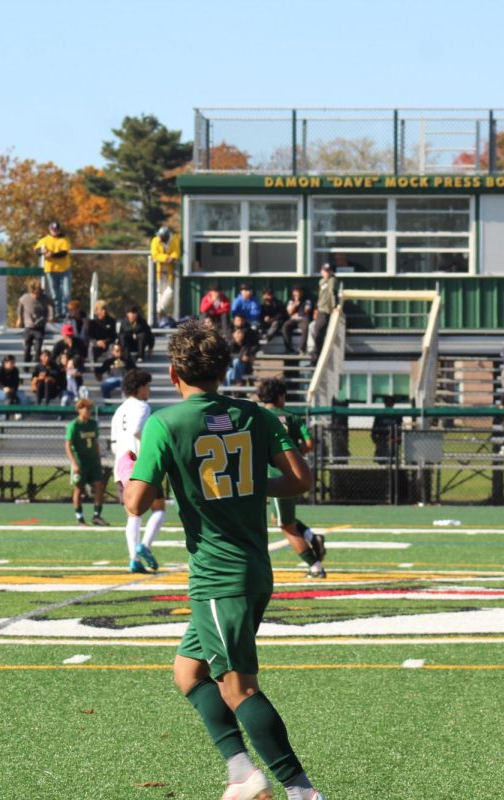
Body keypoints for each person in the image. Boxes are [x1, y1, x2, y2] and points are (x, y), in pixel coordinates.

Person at [122, 322, 323, 800]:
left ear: (173, 373)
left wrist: (132, 474)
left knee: (238, 687)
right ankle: (241, 772)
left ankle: (301, 790)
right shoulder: (254, 414)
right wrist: (249, 485)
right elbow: (299, 480)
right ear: (225, 368)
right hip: (253, 568)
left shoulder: (167, 424)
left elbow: (136, 503)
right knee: (188, 673)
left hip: (218, 574)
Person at [258, 376, 325, 579]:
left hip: (274, 475)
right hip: (293, 473)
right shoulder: (292, 417)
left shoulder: (259, 416)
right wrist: (296, 455)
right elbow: (310, 443)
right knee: (278, 517)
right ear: (279, 396)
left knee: (285, 525)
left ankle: (315, 566)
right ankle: (311, 536)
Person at [110, 369, 164, 573]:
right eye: (148, 386)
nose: (148, 390)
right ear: (140, 387)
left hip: (121, 467)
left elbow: (115, 443)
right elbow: (136, 430)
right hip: (140, 465)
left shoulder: (119, 410)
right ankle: (145, 546)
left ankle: (133, 559)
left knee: (133, 514)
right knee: (159, 509)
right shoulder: (142, 406)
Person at [65, 397, 107, 526]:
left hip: (92, 460)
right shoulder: (74, 425)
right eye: (86, 408)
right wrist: (73, 463)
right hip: (80, 461)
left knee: (99, 486)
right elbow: (68, 445)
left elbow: (95, 443)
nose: (88, 411)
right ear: (79, 410)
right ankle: (80, 517)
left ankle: (97, 516)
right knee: (79, 488)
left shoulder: (93, 424)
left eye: (90, 409)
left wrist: (98, 460)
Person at [34, 221, 71, 311]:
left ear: (59, 230)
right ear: (50, 229)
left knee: (66, 293)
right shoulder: (44, 240)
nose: (55, 231)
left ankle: (66, 312)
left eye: (56, 230)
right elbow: (36, 250)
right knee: (55, 294)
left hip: (64, 270)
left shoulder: (64, 239)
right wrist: (41, 251)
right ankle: (57, 312)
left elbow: (64, 253)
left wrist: (52, 255)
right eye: (53, 229)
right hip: (51, 270)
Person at [17, 279, 54, 363]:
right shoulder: (25, 298)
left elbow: (52, 305)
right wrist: (20, 319)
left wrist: (51, 316)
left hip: (39, 326)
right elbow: (20, 308)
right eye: (34, 294)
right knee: (27, 346)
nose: (36, 296)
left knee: (38, 346)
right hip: (29, 326)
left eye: (38, 293)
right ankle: (26, 364)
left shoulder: (44, 298)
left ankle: (36, 362)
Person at [150, 225, 180, 324]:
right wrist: (166, 258)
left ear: (166, 236)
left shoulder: (174, 240)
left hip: (169, 273)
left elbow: (176, 253)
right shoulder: (155, 240)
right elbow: (154, 254)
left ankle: (160, 310)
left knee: (169, 292)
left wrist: (172, 258)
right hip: (158, 273)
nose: (160, 238)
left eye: (162, 237)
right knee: (159, 293)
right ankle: (159, 315)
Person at [311, 263, 338, 362]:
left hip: (327, 310)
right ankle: (316, 353)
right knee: (315, 330)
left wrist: (334, 306)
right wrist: (316, 309)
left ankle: (317, 353)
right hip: (321, 309)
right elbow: (320, 297)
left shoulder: (332, 280)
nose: (326, 273)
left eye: (328, 271)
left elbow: (333, 293)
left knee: (318, 331)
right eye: (324, 271)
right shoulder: (321, 281)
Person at [226, 316, 260, 387]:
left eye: (240, 333)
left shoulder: (246, 343)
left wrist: (248, 356)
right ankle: (229, 391)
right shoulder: (230, 342)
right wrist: (240, 357)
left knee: (236, 362)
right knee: (229, 373)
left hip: (244, 366)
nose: (239, 335)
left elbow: (254, 348)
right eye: (237, 333)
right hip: (231, 366)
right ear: (234, 334)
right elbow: (228, 354)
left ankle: (238, 383)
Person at [281, 286, 312, 355]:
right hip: (293, 319)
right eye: (295, 292)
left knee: (305, 327)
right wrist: (295, 304)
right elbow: (289, 312)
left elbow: (307, 310)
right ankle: (289, 349)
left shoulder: (307, 300)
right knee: (285, 326)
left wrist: (298, 313)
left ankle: (302, 349)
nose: (297, 294)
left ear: (301, 292)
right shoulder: (291, 301)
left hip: (303, 318)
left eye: (298, 292)